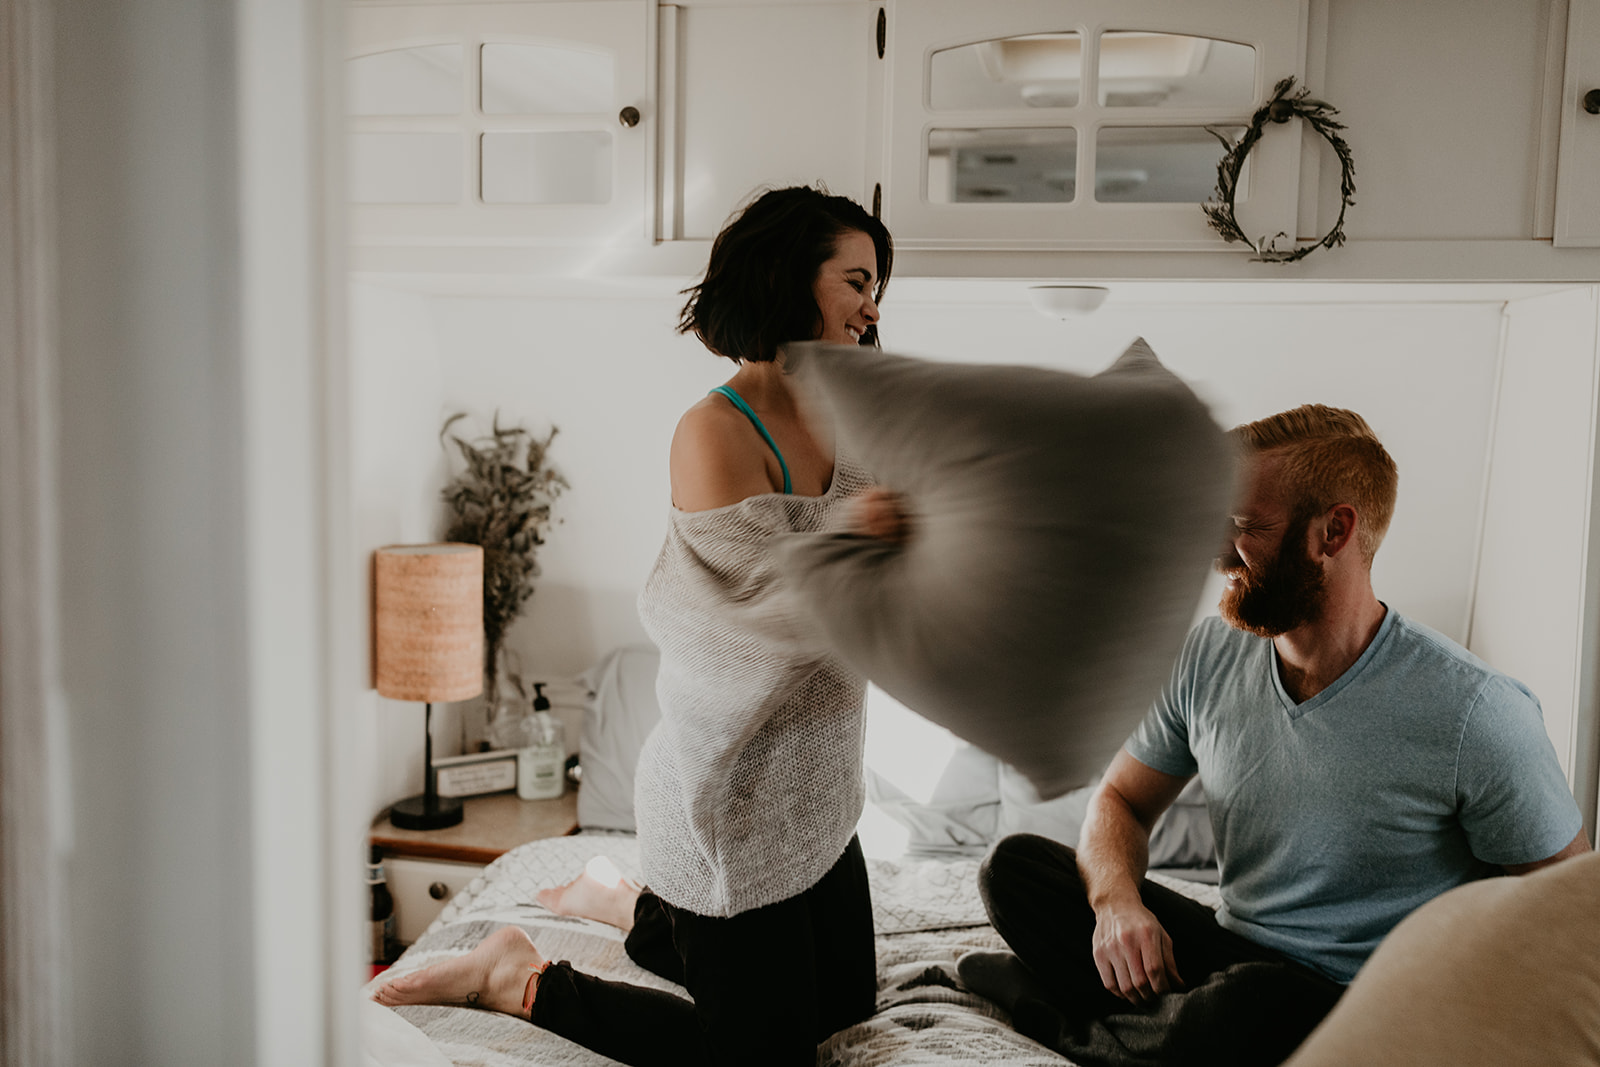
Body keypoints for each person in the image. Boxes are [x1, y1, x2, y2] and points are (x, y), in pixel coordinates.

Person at [373, 185, 899, 1067]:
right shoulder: (715, 431)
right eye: (856, 279)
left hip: (816, 798)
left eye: (877, 283)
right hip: (728, 803)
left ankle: (628, 908)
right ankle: (518, 975)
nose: (873, 306)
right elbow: (746, 630)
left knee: (845, 1013)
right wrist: (865, 540)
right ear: (786, 278)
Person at [960, 404, 1590, 1066]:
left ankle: (1060, 1017)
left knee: (1248, 1006)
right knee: (1014, 869)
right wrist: (1117, 903)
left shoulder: (1476, 710)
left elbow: (1572, 906)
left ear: (1333, 532)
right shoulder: (1208, 653)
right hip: (1230, 951)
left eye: (1241, 527)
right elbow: (1119, 799)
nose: (1214, 551)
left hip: (1357, 998)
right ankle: (1168, 1027)